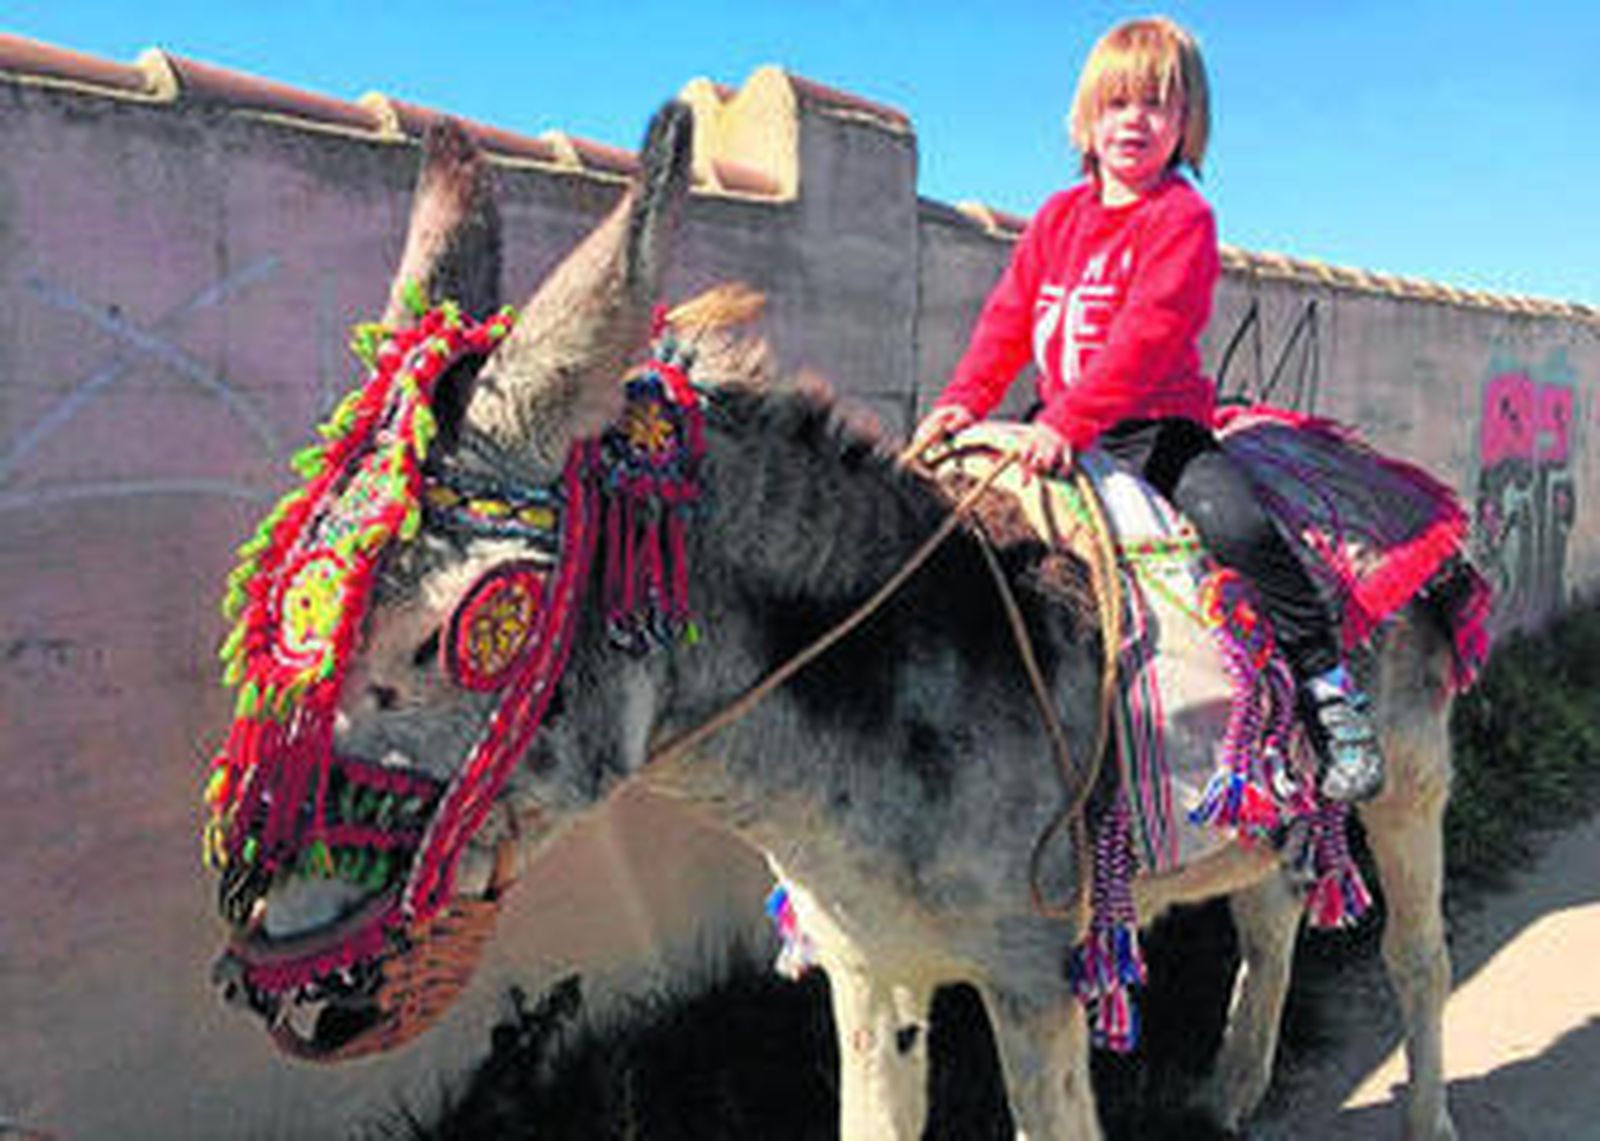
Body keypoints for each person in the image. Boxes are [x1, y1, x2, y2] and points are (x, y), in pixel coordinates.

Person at [909, 16, 1383, 802]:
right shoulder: (1056, 218)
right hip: (1058, 422)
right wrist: (963, 401)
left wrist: (1068, 423)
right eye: (1117, 102)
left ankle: (1332, 699)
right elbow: (1006, 321)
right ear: (1087, 119)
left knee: (1241, 529)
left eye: (1158, 105)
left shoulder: (1181, 219)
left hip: (1155, 433)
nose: (1135, 120)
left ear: (1187, 124)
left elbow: (1147, 335)